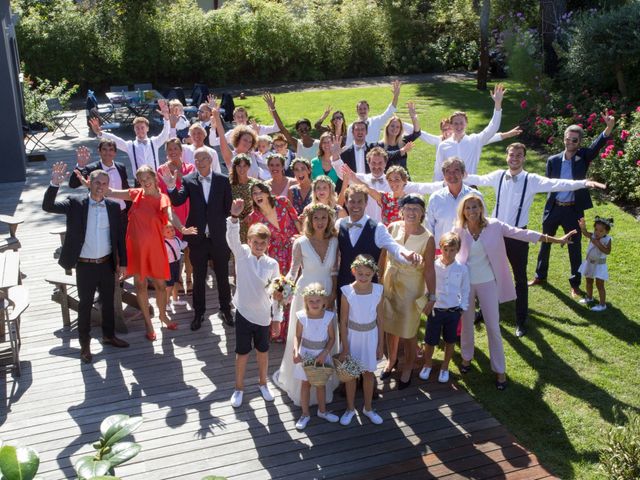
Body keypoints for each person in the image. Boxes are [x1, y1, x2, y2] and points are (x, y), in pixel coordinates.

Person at [465, 142, 607, 337]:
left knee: (520, 278)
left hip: (518, 235)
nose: (514, 158)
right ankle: (484, 310)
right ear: (507, 157)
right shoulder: (498, 176)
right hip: (494, 233)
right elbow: (476, 178)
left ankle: (521, 321)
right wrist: (455, 173)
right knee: (487, 273)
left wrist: (583, 183)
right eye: (511, 155)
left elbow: (557, 183)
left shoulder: (531, 180)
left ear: (524, 158)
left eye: (519, 155)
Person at [453, 193, 576, 389]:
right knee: (466, 323)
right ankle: (466, 359)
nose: (472, 211)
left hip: (488, 283)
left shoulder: (494, 226)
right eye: (468, 208)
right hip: (465, 285)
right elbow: (446, 249)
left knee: (493, 326)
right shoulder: (458, 230)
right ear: (463, 211)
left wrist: (556, 240)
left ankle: (499, 371)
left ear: (481, 208)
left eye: (475, 206)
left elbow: (522, 234)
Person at [43, 163, 129, 363]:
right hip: (85, 265)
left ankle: (108, 336)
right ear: (89, 183)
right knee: (85, 305)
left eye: (104, 183)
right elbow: (48, 207)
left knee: (108, 303)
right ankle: (85, 346)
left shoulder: (114, 206)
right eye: (97, 182)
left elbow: (119, 238)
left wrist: (122, 263)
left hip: (107, 264)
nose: (100, 186)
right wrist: (54, 184)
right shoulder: (75, 203)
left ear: (108, 186)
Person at [530, 117, 615, 298]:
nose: (570, 142)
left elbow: (596, 146)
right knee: (545, 243)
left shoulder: (583, 157)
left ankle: (575, 284)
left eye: (574, 140)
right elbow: (548, 185)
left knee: (574, 248)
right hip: (553, 209)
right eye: (567, 139)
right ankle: (540, 276)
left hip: (573, 210)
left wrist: (608, 128)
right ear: (564, 139)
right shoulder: (553, 160)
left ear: (579, 142)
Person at [105, 166, 194, 340]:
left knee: (161, 286)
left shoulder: (162, 198)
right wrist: (88, 182)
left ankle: (162, 315)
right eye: (142, 180)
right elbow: (111, 191)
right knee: (140, 285)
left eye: (148, 178)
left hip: (155, 248)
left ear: (154, 178)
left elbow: (170, 214)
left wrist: (181, 227)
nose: (145, 183)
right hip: (136, 248)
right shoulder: (136, 193)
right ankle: (148, 322)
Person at [273, 203, 340, 406]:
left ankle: (325, 381)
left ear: (329, 220)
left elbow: (335, 270)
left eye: (323, 218)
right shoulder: (300, 243)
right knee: (304, 336)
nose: (320, 222)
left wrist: (333, 294)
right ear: (309, 221)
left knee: (326, 335)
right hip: (305, 295)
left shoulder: (335, 241)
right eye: (316, 218)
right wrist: (283, 289)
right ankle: (301, 383)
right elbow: (293, 272)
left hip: (327, 292)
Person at [163, 147, 234, 330]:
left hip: (219, 237)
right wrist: (171, 186)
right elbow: (178, 201)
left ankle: (226, 309)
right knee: (199, 277)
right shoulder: (188, 180)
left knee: (222, 276)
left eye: (203, 158)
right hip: (198, 237)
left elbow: (228, 209)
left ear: (210, 160)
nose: (200, 162)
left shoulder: (223, 180)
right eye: (197, 159)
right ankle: (199, 313)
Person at [227, 199, 283, 408]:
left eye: (263, 243)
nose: (258, 246)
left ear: (268, 244)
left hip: (263, 316)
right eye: (255, 242)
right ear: (248, 242)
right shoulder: (241, 254)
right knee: (241, 353)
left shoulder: (273, 264)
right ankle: (238, 388)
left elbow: (278, 294)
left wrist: (276, 320)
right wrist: (233, 217)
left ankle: (263, 383)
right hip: (243, 313)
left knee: (263, 352)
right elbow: (231, 238)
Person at [379, 195, 436, 389]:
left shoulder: (428, 238)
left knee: (409, 331)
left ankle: (408, 367)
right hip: (390, 283)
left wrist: (432, 295)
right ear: (401, 210)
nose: (411, 212)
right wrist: (379, 281)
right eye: (408, 208)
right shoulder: (392, 227)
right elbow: (384, 255)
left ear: (422, 213)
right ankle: (391, 360)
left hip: (411, 290)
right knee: (389, 325)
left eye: (416, 209)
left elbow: (429, 269)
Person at [336, 184, 422, 305]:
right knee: (343, 321)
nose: (355, 205)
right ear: (345, 202)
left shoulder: (377, 228)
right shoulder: (339, 224)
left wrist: (407, 255)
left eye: (360, 201)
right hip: (344, 285)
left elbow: (394, 247)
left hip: (368, 287)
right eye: (352, 201)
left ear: (366, 203)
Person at [247, 182, 301, 341]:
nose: (257, 196)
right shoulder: (254, 217)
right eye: (254, 193)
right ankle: (280, 330)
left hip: (293, 250)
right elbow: (254, 241)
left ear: (267, 192)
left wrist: (303, 237)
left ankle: (295, 329)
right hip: (274, 256)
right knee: (278, 291)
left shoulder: (283, 201)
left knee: (295, 289)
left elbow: (297, 221)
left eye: (260, 192)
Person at [336, 147, 442, 223]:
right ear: (368, 163)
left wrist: (445, 184)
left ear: (385, 163)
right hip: (367, 228)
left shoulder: (395, 182)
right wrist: (335, 156)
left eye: (380, 163)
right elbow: (342, 173)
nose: (376, 166)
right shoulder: (360, 179)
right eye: (373, 163)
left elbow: (421, 187)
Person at [338, 255, 385, 426]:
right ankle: (350, 408)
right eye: (360, 274)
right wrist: (345, 346)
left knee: (368, 373)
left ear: (373, 273)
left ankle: (368, 408)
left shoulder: (378, 291)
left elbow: (380, 320)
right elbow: (343, 321)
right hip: (353, 337)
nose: (364, 278)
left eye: (367, 274)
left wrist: (381, 344)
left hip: (370, 337)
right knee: (351, 375)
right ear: (353, 271)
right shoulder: (347, 292)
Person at [419, 232, 469, 384]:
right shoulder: (433, 266)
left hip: (453, 311)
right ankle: (428, 364)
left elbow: (465, 290)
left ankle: (445, 367)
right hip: (435, 311)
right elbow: (425, 286)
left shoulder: (462, 269)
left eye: (452, 250)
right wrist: (426, 302)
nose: (448, 253)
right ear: (440, 248)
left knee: (450, 340)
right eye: (445, 249)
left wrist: (462, 308)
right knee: (430, 340)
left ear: (458, 250)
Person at [433, 84, 506, 181]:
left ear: (466, 123)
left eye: (461, 123)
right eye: (455, 123)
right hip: (449, 188)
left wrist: (498, 104)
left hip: (470, 188)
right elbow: (438, 171)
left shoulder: (475, 140)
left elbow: (493, 127)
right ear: (451, 125)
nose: (459, 126)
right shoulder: (443, 145)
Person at [293, 283, 340, 430]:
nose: (314, 304)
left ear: (324, 302)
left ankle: (322, 411)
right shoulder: (302, 317)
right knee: (305, 384)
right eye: (311, 301)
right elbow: (297, 336)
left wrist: (325, 352)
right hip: (305, 354)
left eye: (317, 301)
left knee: (320, 384)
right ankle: (305, 414)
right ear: (306, 302)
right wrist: (295, 351)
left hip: (321, 355)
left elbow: (332, 338)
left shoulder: (328, 317)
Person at [89, 99, 173, 175]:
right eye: (137, 128)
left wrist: (166, 118)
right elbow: (115, 139)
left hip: (155, 180)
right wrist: (99, 133)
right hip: (139, 182)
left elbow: (165, 134)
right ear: (134, 129)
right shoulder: (130, 145)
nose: (140, 130)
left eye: (142, 127)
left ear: (147, 128)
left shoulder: (154, 142)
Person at [157, 139, 196, 294]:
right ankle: (177, 279)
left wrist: (179, 176)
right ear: (166, 152)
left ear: (181, 151)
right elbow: (160, 194)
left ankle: (189, 278)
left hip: (189, 210)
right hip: (172, 214)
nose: (173, 152)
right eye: (170, 149)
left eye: (175, 149)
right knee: (174, 247)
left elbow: (193, 187)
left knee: (189, 248)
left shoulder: (190, 167)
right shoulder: (161, 170)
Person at [69, 142, 130, 231]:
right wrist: (80, 166)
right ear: (99, 151)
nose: (107, 153)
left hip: (122, 212)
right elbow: (73, 184)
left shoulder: (121, 167)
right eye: (104, 149)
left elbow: (125, 187)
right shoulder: (92, 168)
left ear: (115, 152)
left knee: (123, 243)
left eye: (111, 150)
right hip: (102, 212)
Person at [427, 156, 482, 247]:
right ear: (444, 175)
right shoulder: (435, 198)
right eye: (448, 171)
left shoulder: (475, 196)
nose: (452, 174)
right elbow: (429, 227)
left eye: (456, 170)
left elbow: (483, 223)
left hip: (469, 250)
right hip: (442, 252)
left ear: (463, 173)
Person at [263, 92, 320, 161]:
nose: (304, 131)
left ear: (310, 128)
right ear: (297, 131)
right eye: (301, 129)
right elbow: (282, 128)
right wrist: (273, 108)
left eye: (306, 128)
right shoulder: (297, 144)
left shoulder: (319, 143)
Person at [345, 80, 401, 146]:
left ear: (368, 110)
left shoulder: (376, 121)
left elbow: (389, 111)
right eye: (360, 109)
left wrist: (396, 96)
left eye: (364, 108)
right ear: (357, 111)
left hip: (374, 154)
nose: (362, 111)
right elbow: (348, 146)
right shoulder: (351, 127)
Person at [577, 216, 613, 311]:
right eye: (596, 229)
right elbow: (585, 233)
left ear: (606, 232)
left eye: (601, 231)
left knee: (599, 284)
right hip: (589, 263)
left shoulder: (607, 240)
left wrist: (598, 244)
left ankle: (602, 305)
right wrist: (583, 227)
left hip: (600, 265)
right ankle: (589, 297)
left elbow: (607, 251)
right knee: (589, 281)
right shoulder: (593, 235)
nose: (597, 232)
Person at [378, 102, 421, 172]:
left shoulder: (403, 141)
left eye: (398, 127)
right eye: (392, 126)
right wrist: (403, 150)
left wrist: (413, 117)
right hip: (389, 181)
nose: (395, 129)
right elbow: (388, 156)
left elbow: (417, 133)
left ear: (400, 130)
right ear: (387, 127)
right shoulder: (380, 145)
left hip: (404, 180)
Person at [163, 223, 188, 310]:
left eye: (172, 230)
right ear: (163, 234)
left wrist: (188, 241)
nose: (171, 233)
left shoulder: (177, 239)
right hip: (168, 265)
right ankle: (166, 303)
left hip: (177, 263)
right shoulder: (164, 243)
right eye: (168, 232)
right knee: (169, 285)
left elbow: (182, 246)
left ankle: (175, 299)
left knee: (176, 282)